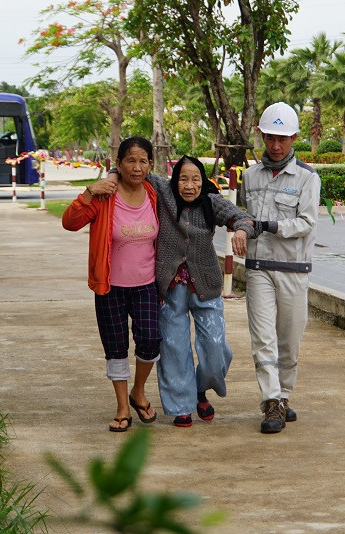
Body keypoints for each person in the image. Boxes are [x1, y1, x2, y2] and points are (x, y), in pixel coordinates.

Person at [106, 156, 258, 427]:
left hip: (206, 285)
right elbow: (131, 170)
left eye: (195, 179)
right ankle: (182, 405)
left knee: (215, 348)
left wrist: (242, 232)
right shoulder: (163, 192)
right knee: (174, 348)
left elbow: (243, 217)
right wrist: (109, 178)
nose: (189, 185)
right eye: (183, 179)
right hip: (170, 286)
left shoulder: (212, 201)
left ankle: (199, 387)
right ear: (174, 180)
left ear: (203, 181)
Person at [62, 136, 161, 433]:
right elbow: (70, 222)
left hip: (146, 284)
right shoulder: (106, 196)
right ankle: (122, 407)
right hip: (110, 286)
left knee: (151, 339)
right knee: (115, 347)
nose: (137, 167)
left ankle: (138, 391)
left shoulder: (154, 193)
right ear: (117, 164)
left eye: (143, 160)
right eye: (130, 160)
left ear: (150, 165)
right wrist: (89, 192)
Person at [239, 102, 320, 434]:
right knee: (263, 338)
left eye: (282, 139)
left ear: (294, 138)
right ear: (260, 135)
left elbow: (306, 222)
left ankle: (284, 396)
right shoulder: (249, 177)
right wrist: (242, 229)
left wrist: (271, 225)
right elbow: (240, 216)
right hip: (258, 268)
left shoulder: (307, 178)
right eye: (270, 138)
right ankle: (270, 401)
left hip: (293, 269)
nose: (275, 146)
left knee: (289, 339)